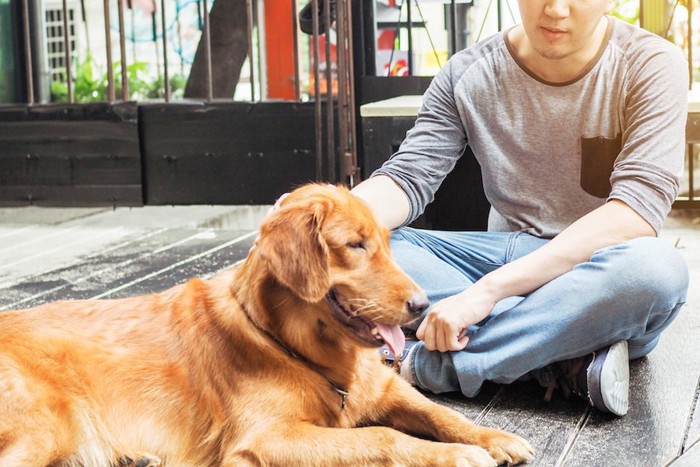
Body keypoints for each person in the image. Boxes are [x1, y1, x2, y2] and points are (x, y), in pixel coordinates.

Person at [351, 0, 689, 417]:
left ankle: (422, 364)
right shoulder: (468, 72)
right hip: (500, 257)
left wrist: (487, 294)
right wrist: (324, 218)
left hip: (593, 272)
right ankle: (563, 354)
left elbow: (634, 214)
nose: (556, 9)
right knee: (374, 250)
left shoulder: (650, 64)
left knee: (654, 271)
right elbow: (407, 178)